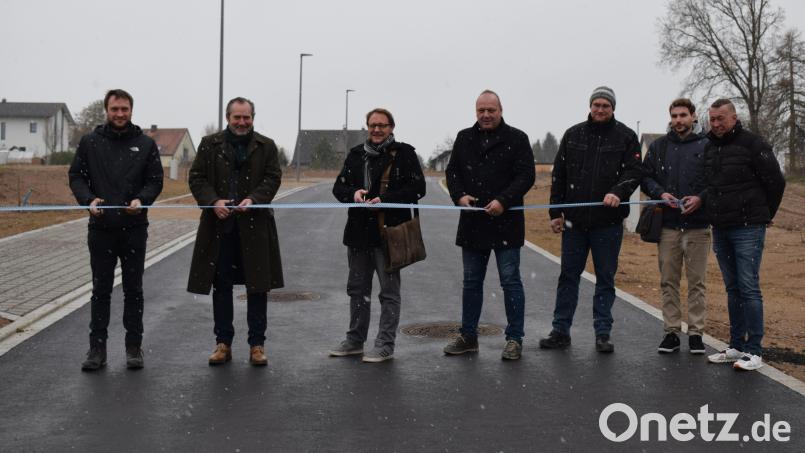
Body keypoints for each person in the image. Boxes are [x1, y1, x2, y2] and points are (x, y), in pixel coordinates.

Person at [539, 86, 642, 353]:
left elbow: (633, 172)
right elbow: (558, 176)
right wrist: (555, 212)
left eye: (605, 105)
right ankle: (560, 330)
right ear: (590, 106)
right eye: (596, 104)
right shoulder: (573, 135)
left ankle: (602, 333)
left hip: (607, 223)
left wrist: (617, 192)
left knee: (605, 278)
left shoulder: (626, 137)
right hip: (574, 223)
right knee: (568, 277)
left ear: (613, 108)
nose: (600, 109)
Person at [69, 89, 164, 371]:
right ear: (106, 111)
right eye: (115, 109)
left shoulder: (145, 144)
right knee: (101, 291)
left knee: (134, 291)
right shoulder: (90, 142)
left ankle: (134, 348)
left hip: (134, 229)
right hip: (101, 229)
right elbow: (76, 176)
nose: (120, 114)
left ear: (131, 110)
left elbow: (155, 180)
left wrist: (142, 200)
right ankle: (97, 349)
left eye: (124, 109)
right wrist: (88, 200)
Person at [187, 97, 284, 367]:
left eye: (247, 117)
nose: (242, 123)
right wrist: (213, 201)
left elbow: (273, 177)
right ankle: (223, 343)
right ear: (227, 117)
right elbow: (196, 178)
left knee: (258, 287)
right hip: (220, 228)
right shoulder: (210, 144)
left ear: (253, 117)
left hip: (256, 228)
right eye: (236, 117)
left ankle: (257, 345)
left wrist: (254, 199)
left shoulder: (266, 146)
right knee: (222, 286)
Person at [442, 90, 535, 361]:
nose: (485, 115)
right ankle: (468, 336)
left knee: (510, 282)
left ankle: (514, 339)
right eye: (481, 110)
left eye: (490, 110)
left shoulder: (517, 139)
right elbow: (452, 172)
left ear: (500, 110)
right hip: (473, 223)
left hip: (506, 223)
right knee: (471, 283)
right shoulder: (464, 138)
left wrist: (503, 201)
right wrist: (458, 195)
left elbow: (526, 175)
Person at [329, 108, 425, 363]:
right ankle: (354, 341)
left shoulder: (405, 154)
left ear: (392, 127)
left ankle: (385, 344)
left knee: (389, 293)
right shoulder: (356, 155)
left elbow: (418, 188)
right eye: (373, 125)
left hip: (389, 234)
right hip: (358, 235)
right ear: (367, 127)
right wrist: (354, 194)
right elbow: (338, 187)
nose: (377, 130)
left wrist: (387, 199)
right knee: (357, 290)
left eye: (382, 125)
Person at [703, 99, 786, 371]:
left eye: (721, 119)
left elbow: (776, 181)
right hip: (721, 228)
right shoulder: (709, 147)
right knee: (732, 287)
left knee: (749, 287)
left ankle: (754, 350)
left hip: (748, 227)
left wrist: (764, 214)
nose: (716, 124)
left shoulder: (754, 144)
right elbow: (711, 186)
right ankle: (736, 345)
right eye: (712, 119)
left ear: (734, 118)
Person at [641, 98, 710, 355]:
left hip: (698, 226)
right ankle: (671, 332)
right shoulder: (659, 146)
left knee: (697, 282)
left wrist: (701, 197)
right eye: (674, 115)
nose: (678, 120)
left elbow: (715, 180)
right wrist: (661, 193)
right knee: (668, 281)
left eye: (683, 115)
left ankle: (695, 334)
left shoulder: (707, 146)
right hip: (668, 226)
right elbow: (645, 176)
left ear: (693, 116)